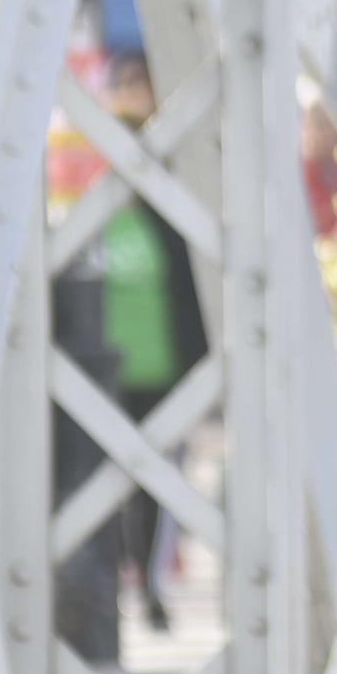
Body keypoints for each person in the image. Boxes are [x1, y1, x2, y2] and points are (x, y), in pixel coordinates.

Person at [101, 50, 209, 630]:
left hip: (162, 352)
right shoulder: (93, 175)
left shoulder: (173, 177)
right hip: (107, 352)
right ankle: (128, 579)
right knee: (112, 480)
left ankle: (147, 582)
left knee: (156, 480)